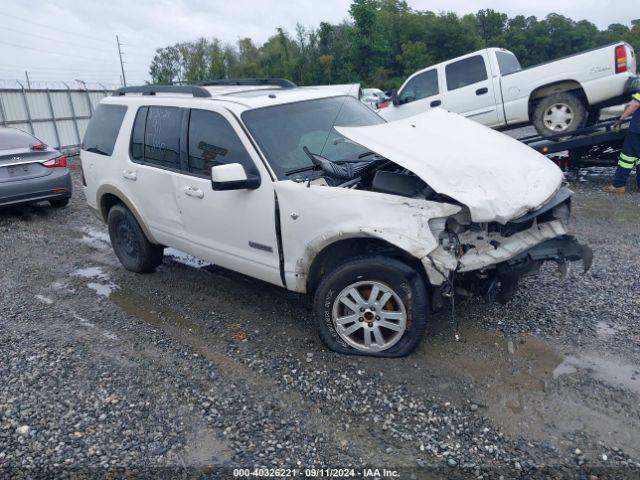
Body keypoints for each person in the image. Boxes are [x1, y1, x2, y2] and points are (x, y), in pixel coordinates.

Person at [603, 89, 640, 193]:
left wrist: (621, 119)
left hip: (637, 130)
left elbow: (635, 105)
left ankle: (618, 185)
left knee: (627, 157)